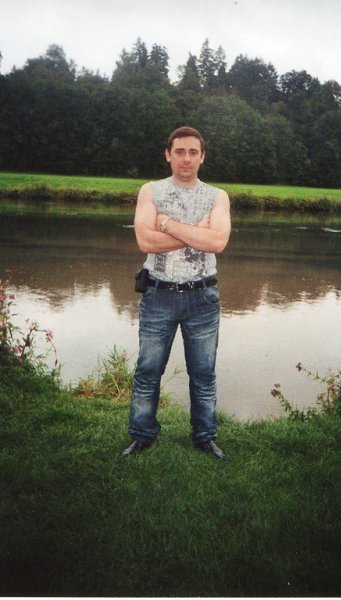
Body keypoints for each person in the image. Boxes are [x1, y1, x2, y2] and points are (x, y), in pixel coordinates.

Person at [122, 126, 231, 460]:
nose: (186, 158)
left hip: (203, 297)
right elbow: (145, 241)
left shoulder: (218, 196)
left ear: (202, 157)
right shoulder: (150, 191)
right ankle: (142, 435)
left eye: (193, 152)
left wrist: (167, 224)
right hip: (158, 294)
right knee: (148, 370)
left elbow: (217, 242)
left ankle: (205, 436)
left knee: (203, 373)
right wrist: (197, 233)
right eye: (180, 151)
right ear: (168, 154)